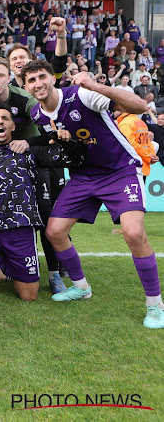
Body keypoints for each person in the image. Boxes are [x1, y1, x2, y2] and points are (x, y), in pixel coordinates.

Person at [23, 59, 164, 328]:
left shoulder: (81, 94)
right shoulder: (38, 116)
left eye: (42, 76)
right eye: (31, 80)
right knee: (54, 231)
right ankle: (81, 287)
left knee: (134, 233)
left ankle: (155, 304)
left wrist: (96, 85)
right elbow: (61, 145)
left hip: (119, 169)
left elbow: (140, 107)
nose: (38, 83)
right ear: (25, 86)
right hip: (84, 176)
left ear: (52, 78)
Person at [0, 104, 82, 300]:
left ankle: (8, 266)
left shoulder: (29, 151)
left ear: (13, 126)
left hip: (21, 229)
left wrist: (66, 139)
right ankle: (1, 268)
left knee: (28, 296)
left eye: (5, 118)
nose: (0, 121)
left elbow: (70, 158)